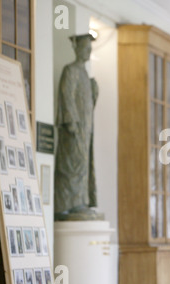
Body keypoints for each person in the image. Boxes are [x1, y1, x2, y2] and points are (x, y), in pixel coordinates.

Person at [54, 34, 102, 221]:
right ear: (76, 49)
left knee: (83, 165)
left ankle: (80, 201)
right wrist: (71, 121)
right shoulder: (71, 70)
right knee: (71, 165)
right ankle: (67, 204)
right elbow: (66, 96)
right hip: (73, 129)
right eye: (85, 48)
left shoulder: (84, 75)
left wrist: (94, 91)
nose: (88, 52)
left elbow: (87, 104)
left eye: (90, 49)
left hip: (85, 130)